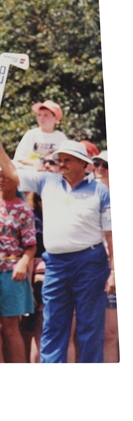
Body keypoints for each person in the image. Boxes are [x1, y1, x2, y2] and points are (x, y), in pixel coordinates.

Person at [0, 127, 114, 363]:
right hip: (55, 264)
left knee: (89, 326)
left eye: (68, 160)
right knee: (53, 324)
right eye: (60, 159)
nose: (61, 163)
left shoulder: (101, 190)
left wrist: (114, 271)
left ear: (83, 164)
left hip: (90, 263)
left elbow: (111, 235)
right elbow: (11, 171)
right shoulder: (47, 181)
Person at [0, 164, 36, 363]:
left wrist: (23, 262)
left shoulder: (24, 210)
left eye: (6, 177)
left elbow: (31, 245)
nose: (1, 180)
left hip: (10, 274)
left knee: (10, 327)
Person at [91, 150, 118, 362]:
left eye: (105, 165)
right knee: (88, 333)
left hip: (113, 272)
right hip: (90, 271)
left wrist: (114, 271)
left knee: (110, 335)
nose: (99, 168)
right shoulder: (87, 195)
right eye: (96, 163)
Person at [13, 100, 67, 169]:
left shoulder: (61, 137)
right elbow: (18, 158)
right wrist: (35, 163)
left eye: (46, 115)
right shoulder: (31, 134)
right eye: (39, 115)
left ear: (55, 118)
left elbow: (65, 161)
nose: (41, 118)